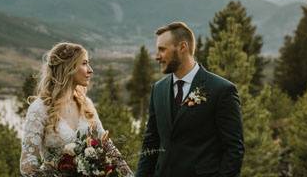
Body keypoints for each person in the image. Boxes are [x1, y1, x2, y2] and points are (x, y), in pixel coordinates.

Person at [136, 22, 244, 177]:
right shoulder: (158, 90)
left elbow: (234, 149)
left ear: (182, 47)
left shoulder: (221, 90)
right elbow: (151, 142)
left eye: (162, 49)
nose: (157, 56)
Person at [20, 42, 133, 176]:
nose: (90, 70)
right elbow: (27, 164)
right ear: (69, 67)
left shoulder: (86, 104)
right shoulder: (40, 109)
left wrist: (128, 174)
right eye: (84, 63)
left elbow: (107, 146)